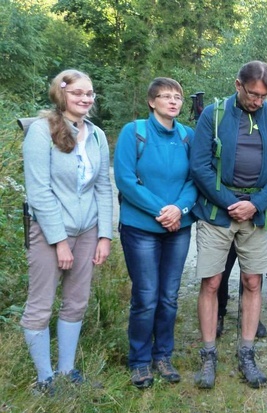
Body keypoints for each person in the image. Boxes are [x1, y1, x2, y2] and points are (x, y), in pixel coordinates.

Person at [189, 60, 267, 389]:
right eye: (253, 94)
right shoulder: (213, 116)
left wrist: (255, 204)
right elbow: (200, 166)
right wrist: (230, 203)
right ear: (238, 85)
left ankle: (246, 352)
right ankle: (208, 355)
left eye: (263, 96)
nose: (257, 101)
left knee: (252, 282)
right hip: (218, 213)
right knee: (212, 283)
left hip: (256, 214)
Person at [21, 69, 113, 392]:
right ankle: (44, 379)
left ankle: (66, 371)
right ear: (62, 95)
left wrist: (104, 235)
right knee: (41, 303)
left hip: (87, 229)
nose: (85, 99)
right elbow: (39, 191)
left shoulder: (97, 136)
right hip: (49, 231)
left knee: (77, 300)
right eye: (78, 93)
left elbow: (103, 187)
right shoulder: (40, 132)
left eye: (89, 94)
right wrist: (59, 242)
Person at [115, 77, 197, 388]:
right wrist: (161, 211)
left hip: (178, 227)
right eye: (165, 96)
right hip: (141, 228)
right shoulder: (134, 132)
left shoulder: (188, 136)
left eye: (177, 96)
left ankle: (163, 355)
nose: (173, 101)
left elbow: (195, 179)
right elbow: (125, 179)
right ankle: (139, 360)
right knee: (146, 297)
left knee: (169, 297)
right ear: (152, 102)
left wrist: (180, 210)